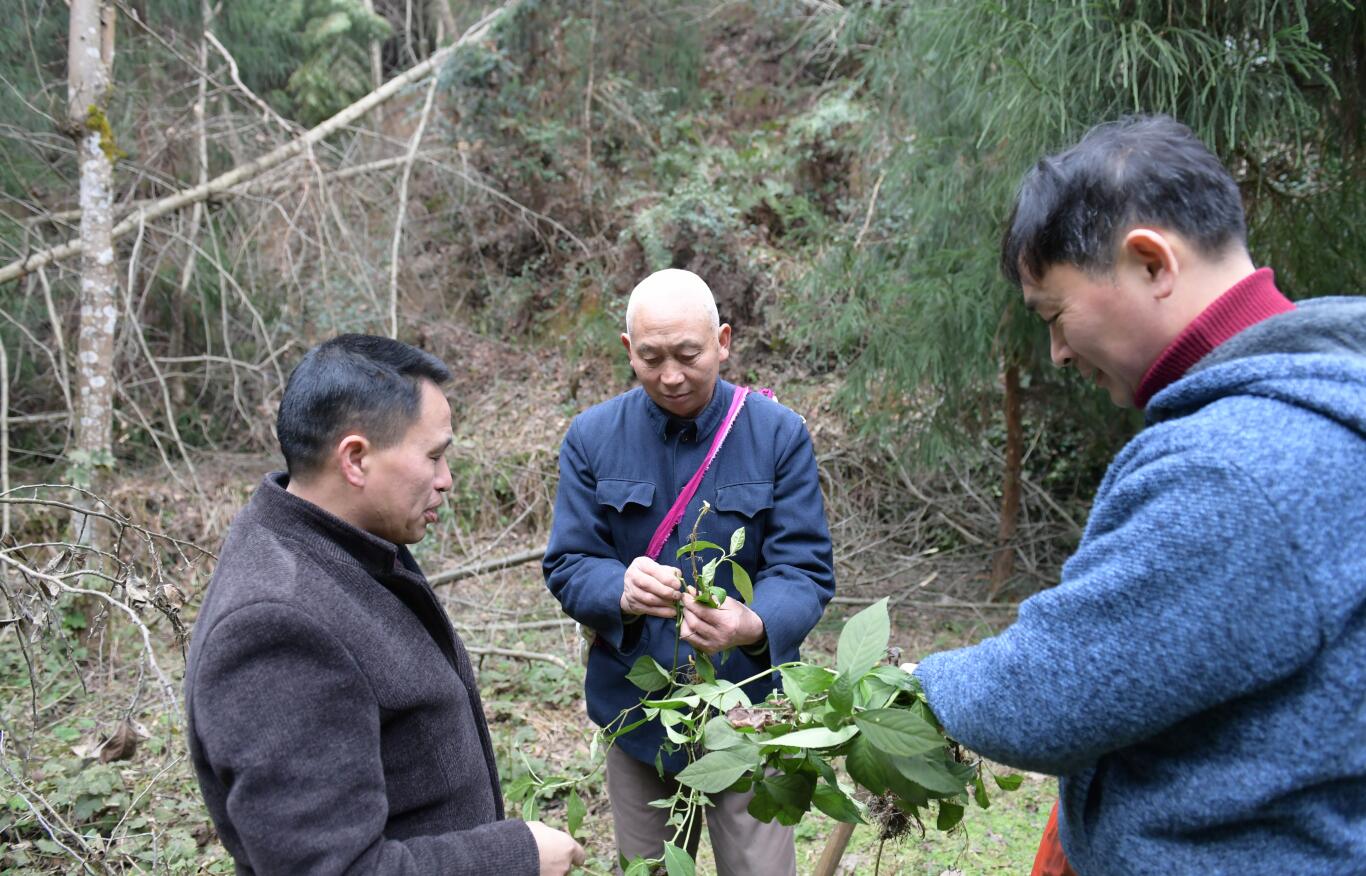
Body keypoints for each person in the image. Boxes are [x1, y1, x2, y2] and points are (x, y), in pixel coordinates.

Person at [914, 115, 1366, 875]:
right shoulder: (1323, 401)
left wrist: (919, 685)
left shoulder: (1236, 467)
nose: (1057, 353)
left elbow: (1053, 690)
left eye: (1055, 315)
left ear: (1151, 262)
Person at [185, 335, 585, 876]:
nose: (446, 481)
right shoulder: (275, 625)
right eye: (434, 457)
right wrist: (516, 856)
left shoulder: (344, 540)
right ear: (354, 459)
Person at [543, 269, 835, 874]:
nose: (670, 376)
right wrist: (617, 588)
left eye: (688, 354)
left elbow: (804, 568)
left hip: (749, 712)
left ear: (723, 342)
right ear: (629, 351)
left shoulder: (778, 435)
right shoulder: (592, 438)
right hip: (638, 714)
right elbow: (570, 563)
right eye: (650, 358)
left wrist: (752, 622)